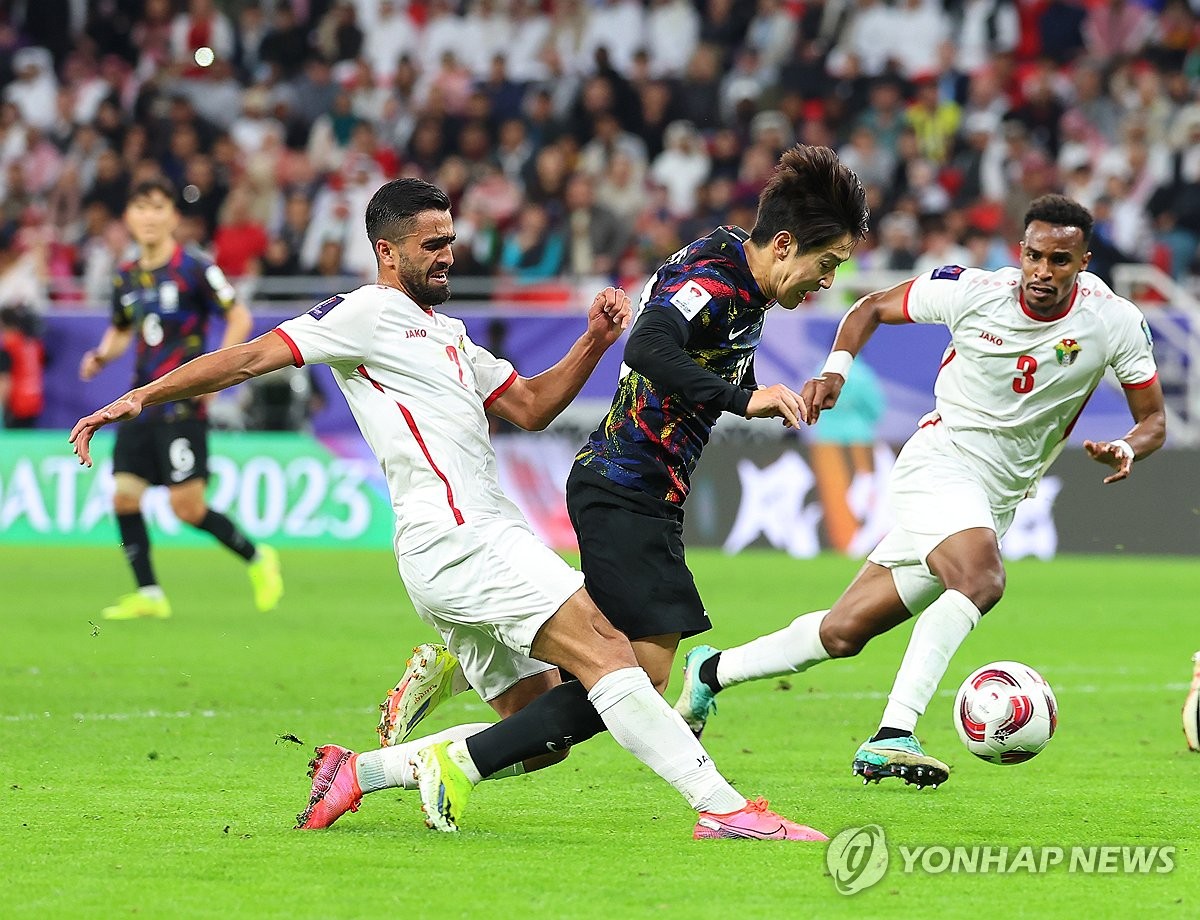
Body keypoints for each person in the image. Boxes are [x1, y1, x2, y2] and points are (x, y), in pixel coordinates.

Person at [71, 177, 825, 842]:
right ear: (387, 252)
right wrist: (142, 395)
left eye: (451, 242)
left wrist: (595, 341)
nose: (447, 256)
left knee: (544, 732)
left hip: (460, 547)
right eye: (431, 245)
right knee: (609, 653)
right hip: (460, 537)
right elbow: (244, 358)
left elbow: (530, 405)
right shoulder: (363, 314)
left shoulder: (451, 336)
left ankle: (357, 774)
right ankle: (723, 807)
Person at [371, 146, 870, 807]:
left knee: (577, 700)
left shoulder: (746, 287)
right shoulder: (712, 280)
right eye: (825, 263)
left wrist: (773, 391)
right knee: (643, 674)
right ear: (783, 244)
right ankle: (454, 763)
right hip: (624, 484)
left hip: (644, 491)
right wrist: (745, 399)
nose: (827, 281)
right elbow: (647, 346)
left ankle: (460, 678)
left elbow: (710, 360)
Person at [671, 194, 1165, 787]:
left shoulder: (1113, 322)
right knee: (980, 580)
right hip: (942, 461)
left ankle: (710, 672)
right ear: (1021, 252)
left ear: (1084, 261)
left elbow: (1154, 417)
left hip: (997, 498)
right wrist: (836, 371)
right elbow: (872, 307)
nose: (1042, 271)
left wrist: (1130, 445)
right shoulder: (974, 291)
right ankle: (892, 734)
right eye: (1033, 255)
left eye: (1059, 260)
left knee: (843, 632)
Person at [78, 177, 283, 621]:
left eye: (158, 208)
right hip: (139, 402)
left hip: (183, 404)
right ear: (129, 217)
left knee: (185, 507)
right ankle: (150, 594)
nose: (149, 217)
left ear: (173, 216)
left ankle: (258, 557)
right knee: (124, 497)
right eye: (140, 208)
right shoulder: (127, 274)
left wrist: (222, 369)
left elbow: (239, 314)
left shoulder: (193, 267)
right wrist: (100, 354)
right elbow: (121, 328)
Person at [0, 305, 45, 428]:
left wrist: (2, 408)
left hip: (15, 405)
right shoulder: (32, 345)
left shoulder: (8, 348)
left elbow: (5, 380)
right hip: (34, 400)